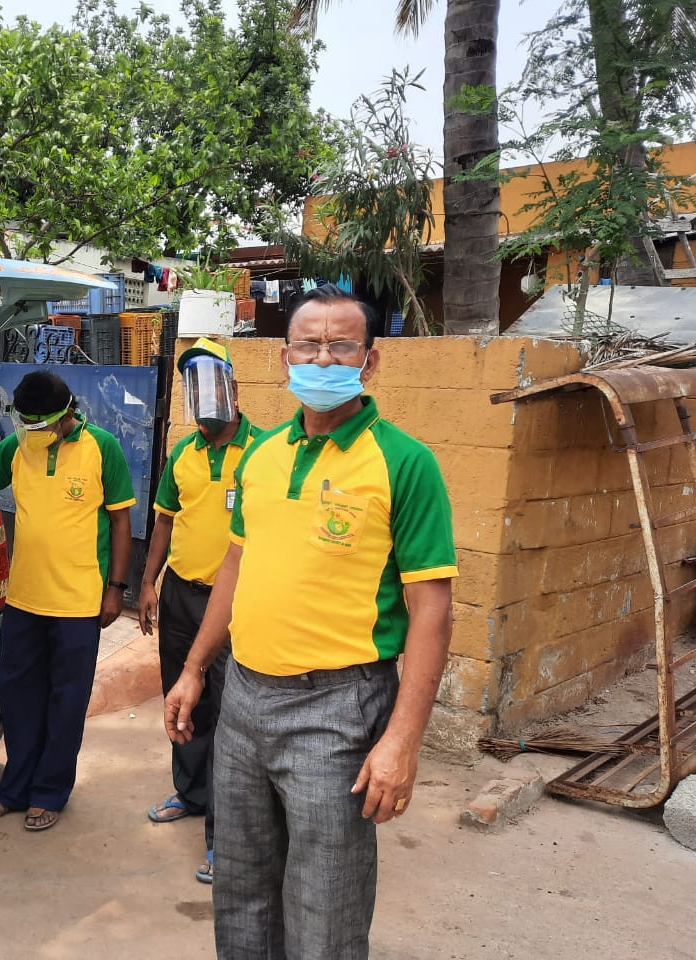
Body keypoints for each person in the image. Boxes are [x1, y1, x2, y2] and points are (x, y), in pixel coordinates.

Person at [164, 285, 457, 959]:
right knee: (240, 889)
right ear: (285, 356)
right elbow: (235, 566)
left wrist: (403, 740)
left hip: (339, 709)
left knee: (325, 904)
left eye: (341, 345)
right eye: (308, 344)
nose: (322, 358)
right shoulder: (263, 456)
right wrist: (195, 668)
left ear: (370, 361)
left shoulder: (404, 463)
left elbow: (433, 612)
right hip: (243, 698)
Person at [0, 370, 135, 832]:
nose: (30, 432)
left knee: (66, 702)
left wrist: (116, 589)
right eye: (24, 423)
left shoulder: (103, 447)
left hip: (79, 603)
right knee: (17, 697)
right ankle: (14, 790)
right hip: (24, 598)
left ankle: (50, 792)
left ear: (65, 415)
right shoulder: (15, 447)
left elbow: (121, 522)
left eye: (38, 424)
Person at [138, 338, 264, 885]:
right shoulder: (183, 454)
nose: (202, 394)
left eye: (210, 380)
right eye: (192, 384)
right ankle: (190, 793)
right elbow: (164, 520)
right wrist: (148, 582)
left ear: (232, 387)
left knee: (231, 714)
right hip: (181, 595)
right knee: (181, 698)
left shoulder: (263, 450)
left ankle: (225, 837)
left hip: (234, 602)